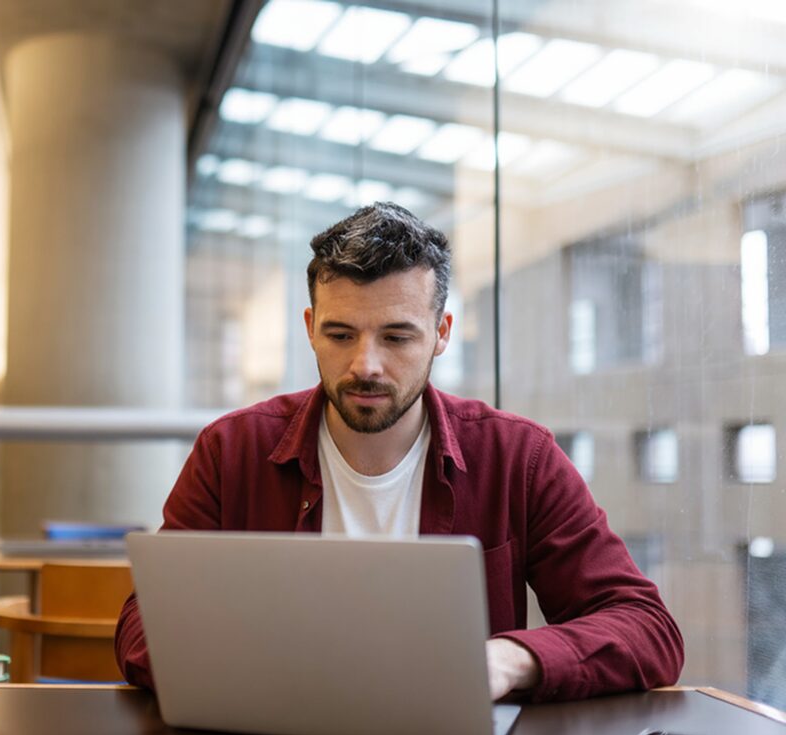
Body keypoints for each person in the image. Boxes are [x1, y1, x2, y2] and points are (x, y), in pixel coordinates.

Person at [115, 202, 684, 701]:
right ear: (311, 328)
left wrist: (506, 660)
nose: (366, 364)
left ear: (441, 332)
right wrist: (265, 672)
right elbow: (142, 627)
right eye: (341, 335)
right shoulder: (230, 451)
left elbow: (646, 627)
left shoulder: (518, 457)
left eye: (396, 336)